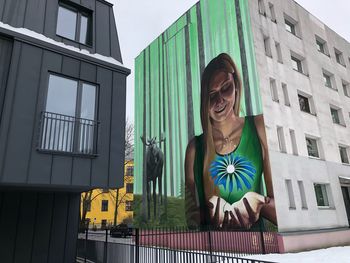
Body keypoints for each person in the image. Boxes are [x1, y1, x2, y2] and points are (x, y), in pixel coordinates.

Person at [185, 53, 277, 229]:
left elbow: (285, 213)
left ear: (236, 85)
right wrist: (209, 212)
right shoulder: (195, 149)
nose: (219, 100)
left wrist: (260, 205)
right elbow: (191, 218)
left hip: (256, 248)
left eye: (225, 88)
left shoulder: (259, 127)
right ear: (204, 100)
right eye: (211, 95)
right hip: (212, 251)